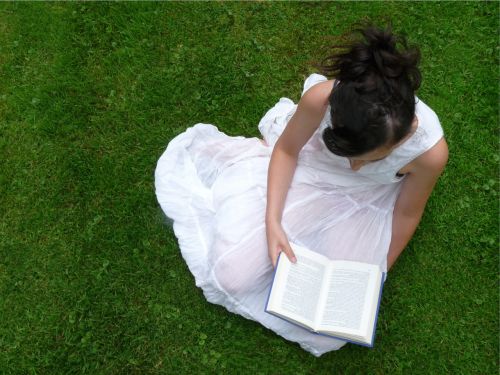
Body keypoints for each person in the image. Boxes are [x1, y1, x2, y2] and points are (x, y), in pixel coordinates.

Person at [154, 21, 448, 357]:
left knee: (332, 331)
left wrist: (376, 273)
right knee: (232, 273)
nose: (359, 166)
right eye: (353, 155)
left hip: (366, 199)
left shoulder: (430, 153)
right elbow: (288, 150)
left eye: (375, 158)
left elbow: (407, 212)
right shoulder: (321, 100)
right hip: (311, 169)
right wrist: (273, 221)